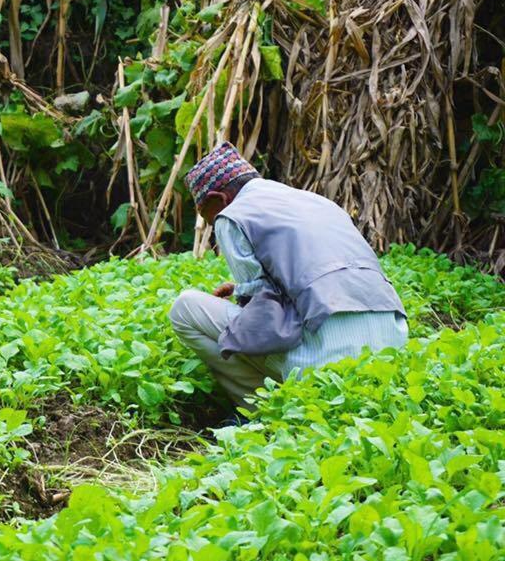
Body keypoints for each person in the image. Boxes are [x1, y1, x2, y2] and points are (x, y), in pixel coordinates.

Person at [168, 142, 408, 408]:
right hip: (391, 348)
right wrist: (239, 290)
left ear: (218, 199)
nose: (213, 224)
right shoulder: (317, 201)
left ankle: (260, 409)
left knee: (185, 308)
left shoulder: (233, 215)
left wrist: (242, 303)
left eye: (209, 217)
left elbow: (262, 317)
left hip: (327, 358)